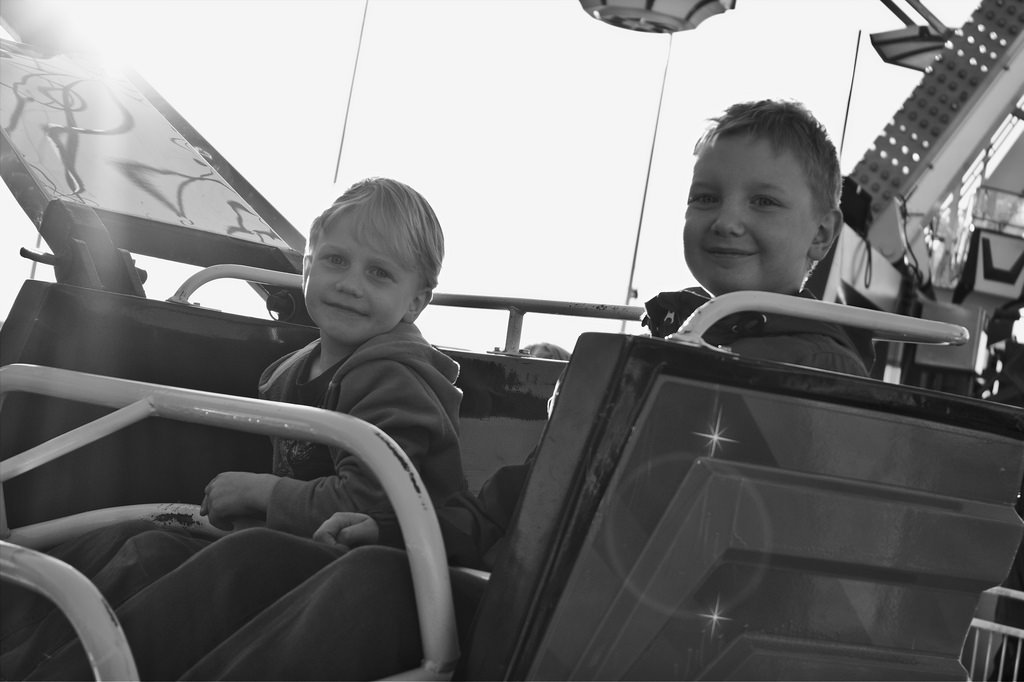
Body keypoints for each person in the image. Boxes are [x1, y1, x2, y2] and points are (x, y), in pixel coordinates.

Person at [19, 99, 874, 680]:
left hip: (590, 615)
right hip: (524, 570)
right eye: (708, 196)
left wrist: (447, 538)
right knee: (249, 556)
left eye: (764, 201)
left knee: (359, 584)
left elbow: (716, 535)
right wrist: (422, 522)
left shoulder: (802, 370)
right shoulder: (688, 344)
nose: (728, 218)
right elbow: (548, 486)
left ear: (823, 231)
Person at [1, 177, 467, 678]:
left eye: (379, 273)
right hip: (312, 552)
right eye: (335, 260)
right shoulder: (288, 372)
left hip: (385, 579)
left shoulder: (392, 377)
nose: (351, 283)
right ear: (307, 263)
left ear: (417, 301)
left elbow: (370, 507)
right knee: (139, 544)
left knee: (196, 559)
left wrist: (264, 494)